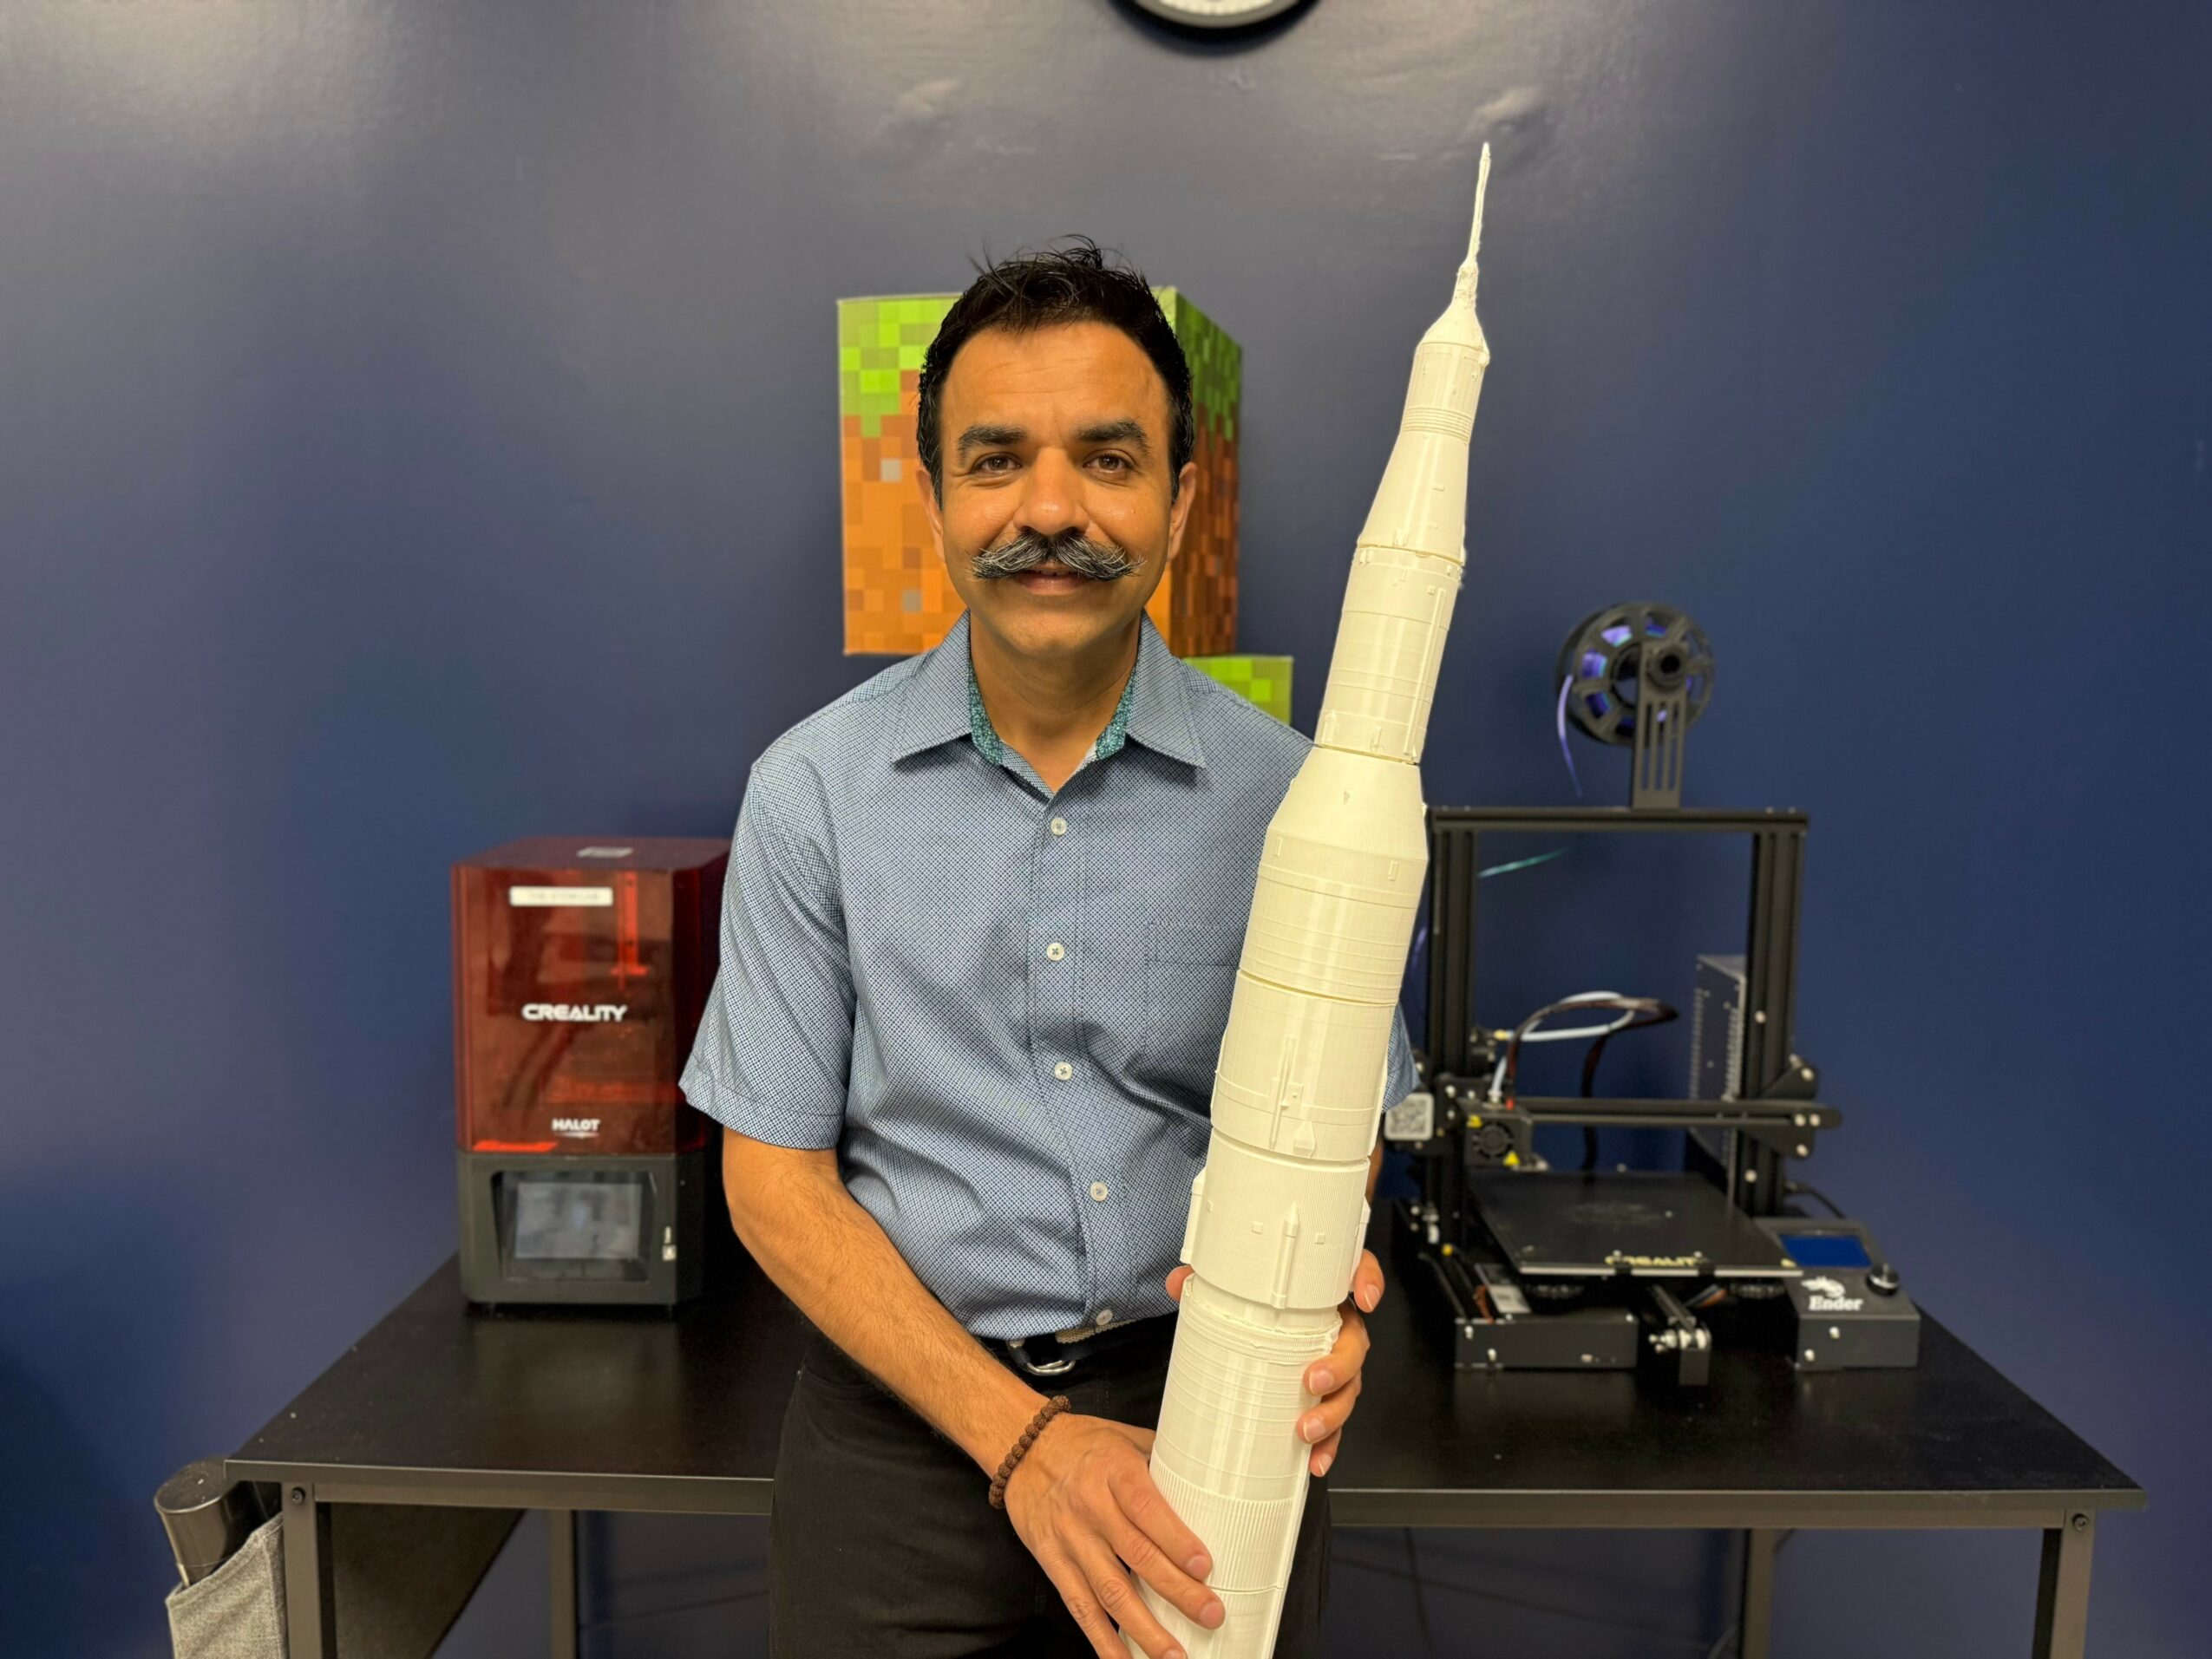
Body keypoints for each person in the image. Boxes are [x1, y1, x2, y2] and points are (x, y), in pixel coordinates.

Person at [681, 241, 1416, 1659]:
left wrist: (1317, 1300)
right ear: (937, 495)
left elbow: (1341, 1132)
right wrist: (1025, 1442)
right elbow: (772, 1179)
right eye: (998, 458)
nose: (1051, 510)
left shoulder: (1300, 801)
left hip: (1208, 1418)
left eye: (1109, 458)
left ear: (1181, 500)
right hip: (902, 1436)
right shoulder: (811, 794)